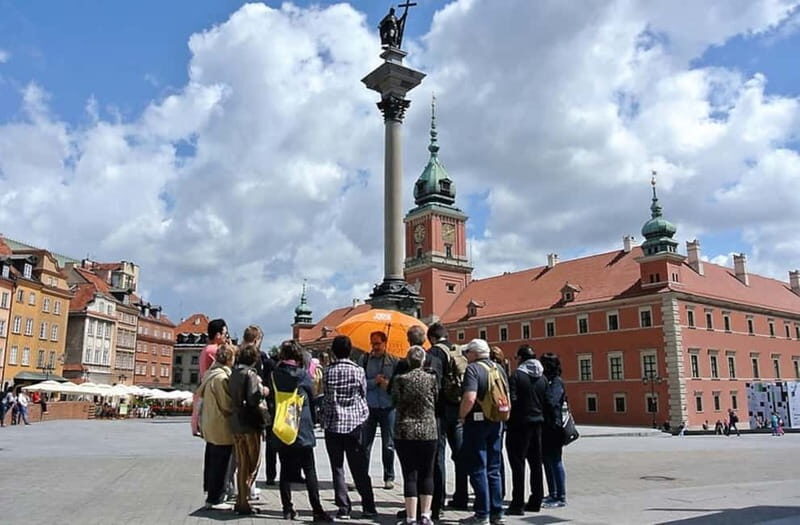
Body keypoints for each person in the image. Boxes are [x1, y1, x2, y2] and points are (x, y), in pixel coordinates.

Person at [270, 340, 333, 523]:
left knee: (285, 469)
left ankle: (287, 509)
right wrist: (315, 420)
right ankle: (316, 510)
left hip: (282, 424)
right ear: (298, 356)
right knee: (309, 469)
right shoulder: (303, 375)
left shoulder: (275, 374)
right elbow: (312, 399)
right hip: (301, 424)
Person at [322, 335, 377, 521]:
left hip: (333, 423)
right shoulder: (358, 370)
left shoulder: (328, 371)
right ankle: (368, 506)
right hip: (354, 423)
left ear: (334, 351)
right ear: (350, 350)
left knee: (337, 468)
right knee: (359, 467)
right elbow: (362, 392)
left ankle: (343, 507)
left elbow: (327, 396)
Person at [458, 339, 506, 525]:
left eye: (467, 352)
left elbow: (470, 397)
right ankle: (497, 512)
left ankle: (482, 514)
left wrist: (462, 416)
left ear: (475, 353)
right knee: (494, 468)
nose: (466, 355)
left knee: (478, 467)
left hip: (477, 422)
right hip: (496, 421)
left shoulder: (473, 369)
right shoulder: (498, 368)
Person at [393, 345, 439, 525]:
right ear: (423, 361)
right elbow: (435, 399)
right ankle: (426, 515)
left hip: (405, 430)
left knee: (409, 474)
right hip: (428, 430)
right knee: (427, 473)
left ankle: (411, 517)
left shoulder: (400, 380)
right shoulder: (432, 379)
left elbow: (395, 401)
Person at [426, 322, 469, 513]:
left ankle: (438, 502)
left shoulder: (435, 352)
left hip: (441, 410)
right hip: (458, 407)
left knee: (439, 456)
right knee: (460, 455)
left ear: (432, 338)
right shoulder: (456, 349)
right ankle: (461, 496)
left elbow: (434, 381)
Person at [196, 343, 237, 511]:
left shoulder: (210, 374)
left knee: (213, 461)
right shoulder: (221, 378)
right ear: (229, 358)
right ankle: (216, 498)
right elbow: (226, 404)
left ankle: (212, 496)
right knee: (221, 463)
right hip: (221, 426)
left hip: (210, 424)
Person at [506, 345, 545, 515]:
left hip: (519, 425)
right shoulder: (542, 378)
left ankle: (517, 503)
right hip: (538, 423)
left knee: (518, 464)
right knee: (536, 464)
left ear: (521, 358)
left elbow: (512, 400)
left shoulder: (517, 376)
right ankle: (536, 500)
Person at [229, 342, 268, 515]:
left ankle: (240, 500)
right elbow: (253, 399)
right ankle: (244, 501)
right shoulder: (250, 374)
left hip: (236, 422)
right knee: (253, 462)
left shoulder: (234, 373)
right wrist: (263, 391)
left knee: (242, 462)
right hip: (250, 423)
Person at [361, 330, 398, 490]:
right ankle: (362, 476)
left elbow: (398, 384)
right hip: (369, 406)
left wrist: (387, 384)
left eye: (378, 343)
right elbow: (360, 382)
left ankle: (389, 476)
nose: (375, 347)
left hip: (388, 406)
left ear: (385, 343)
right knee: (364, 444)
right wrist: (373, 382)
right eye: (373, 343)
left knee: (388, 444)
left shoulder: (393, 360)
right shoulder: (365, 359)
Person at [541, 353, 567, 509]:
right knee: (547, 461)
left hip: (554, 427)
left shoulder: (557, 382)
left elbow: (552, 401)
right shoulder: (548, 381)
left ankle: (561, 496)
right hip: (546, 426)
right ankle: (552, 492)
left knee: (555, 461)